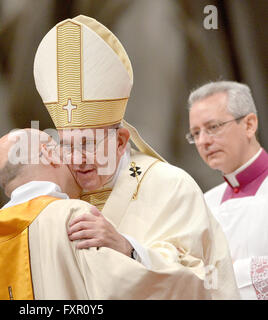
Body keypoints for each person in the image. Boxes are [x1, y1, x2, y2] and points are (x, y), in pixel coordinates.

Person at [33, 15, 239, 299]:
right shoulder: (56, 203)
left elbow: (199, 280)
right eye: (68, 146)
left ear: (120, 141)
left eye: (89, 144)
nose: (77, 159)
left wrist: (126, 248)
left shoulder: (170, 187)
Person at [0, 128, 221, 299]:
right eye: (64, 147)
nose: (75, 160)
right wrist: (129, 249)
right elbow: (126, 289)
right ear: (48, 154)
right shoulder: (71, 215)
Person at [187, 80, 268, 300]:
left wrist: (230, 273)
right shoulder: (204, 203)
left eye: (213, 127)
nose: (203, 141)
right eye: (195, 133)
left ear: (249, 124)